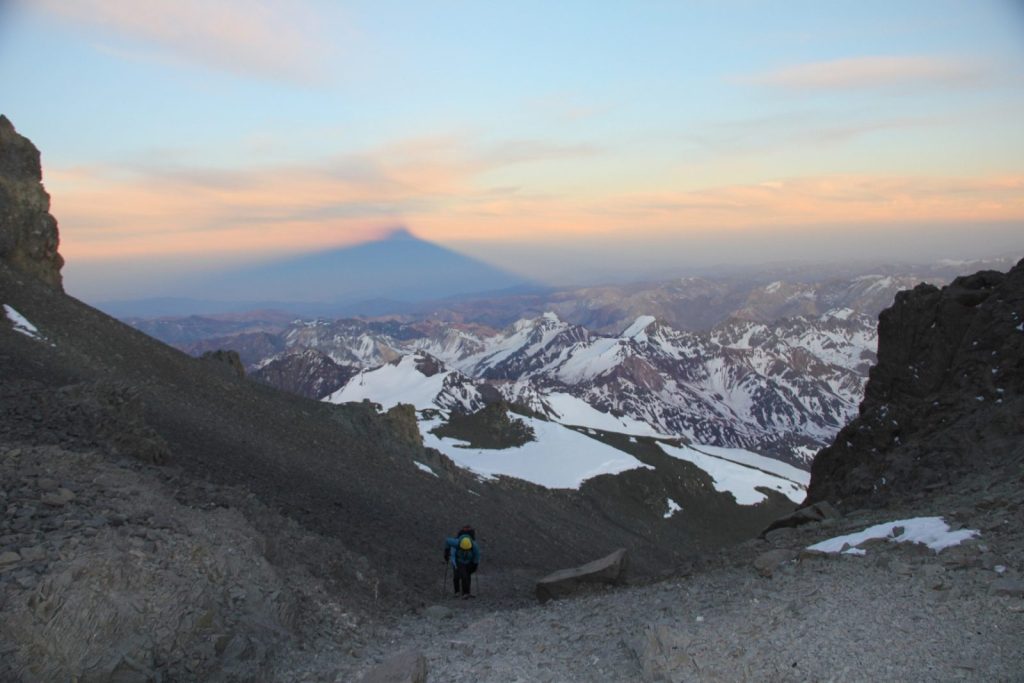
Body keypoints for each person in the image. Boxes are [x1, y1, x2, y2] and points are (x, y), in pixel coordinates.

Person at [443, 525, 480, 598]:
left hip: (469, 561)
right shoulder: (457, 543)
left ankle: (466, 593)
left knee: (467, 574)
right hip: (459, 560)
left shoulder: (474, 546)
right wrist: (446, 552)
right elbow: (447, 541)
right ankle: (463, 593)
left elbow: (476, 556)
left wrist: (474, 565)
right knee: (463, 575)